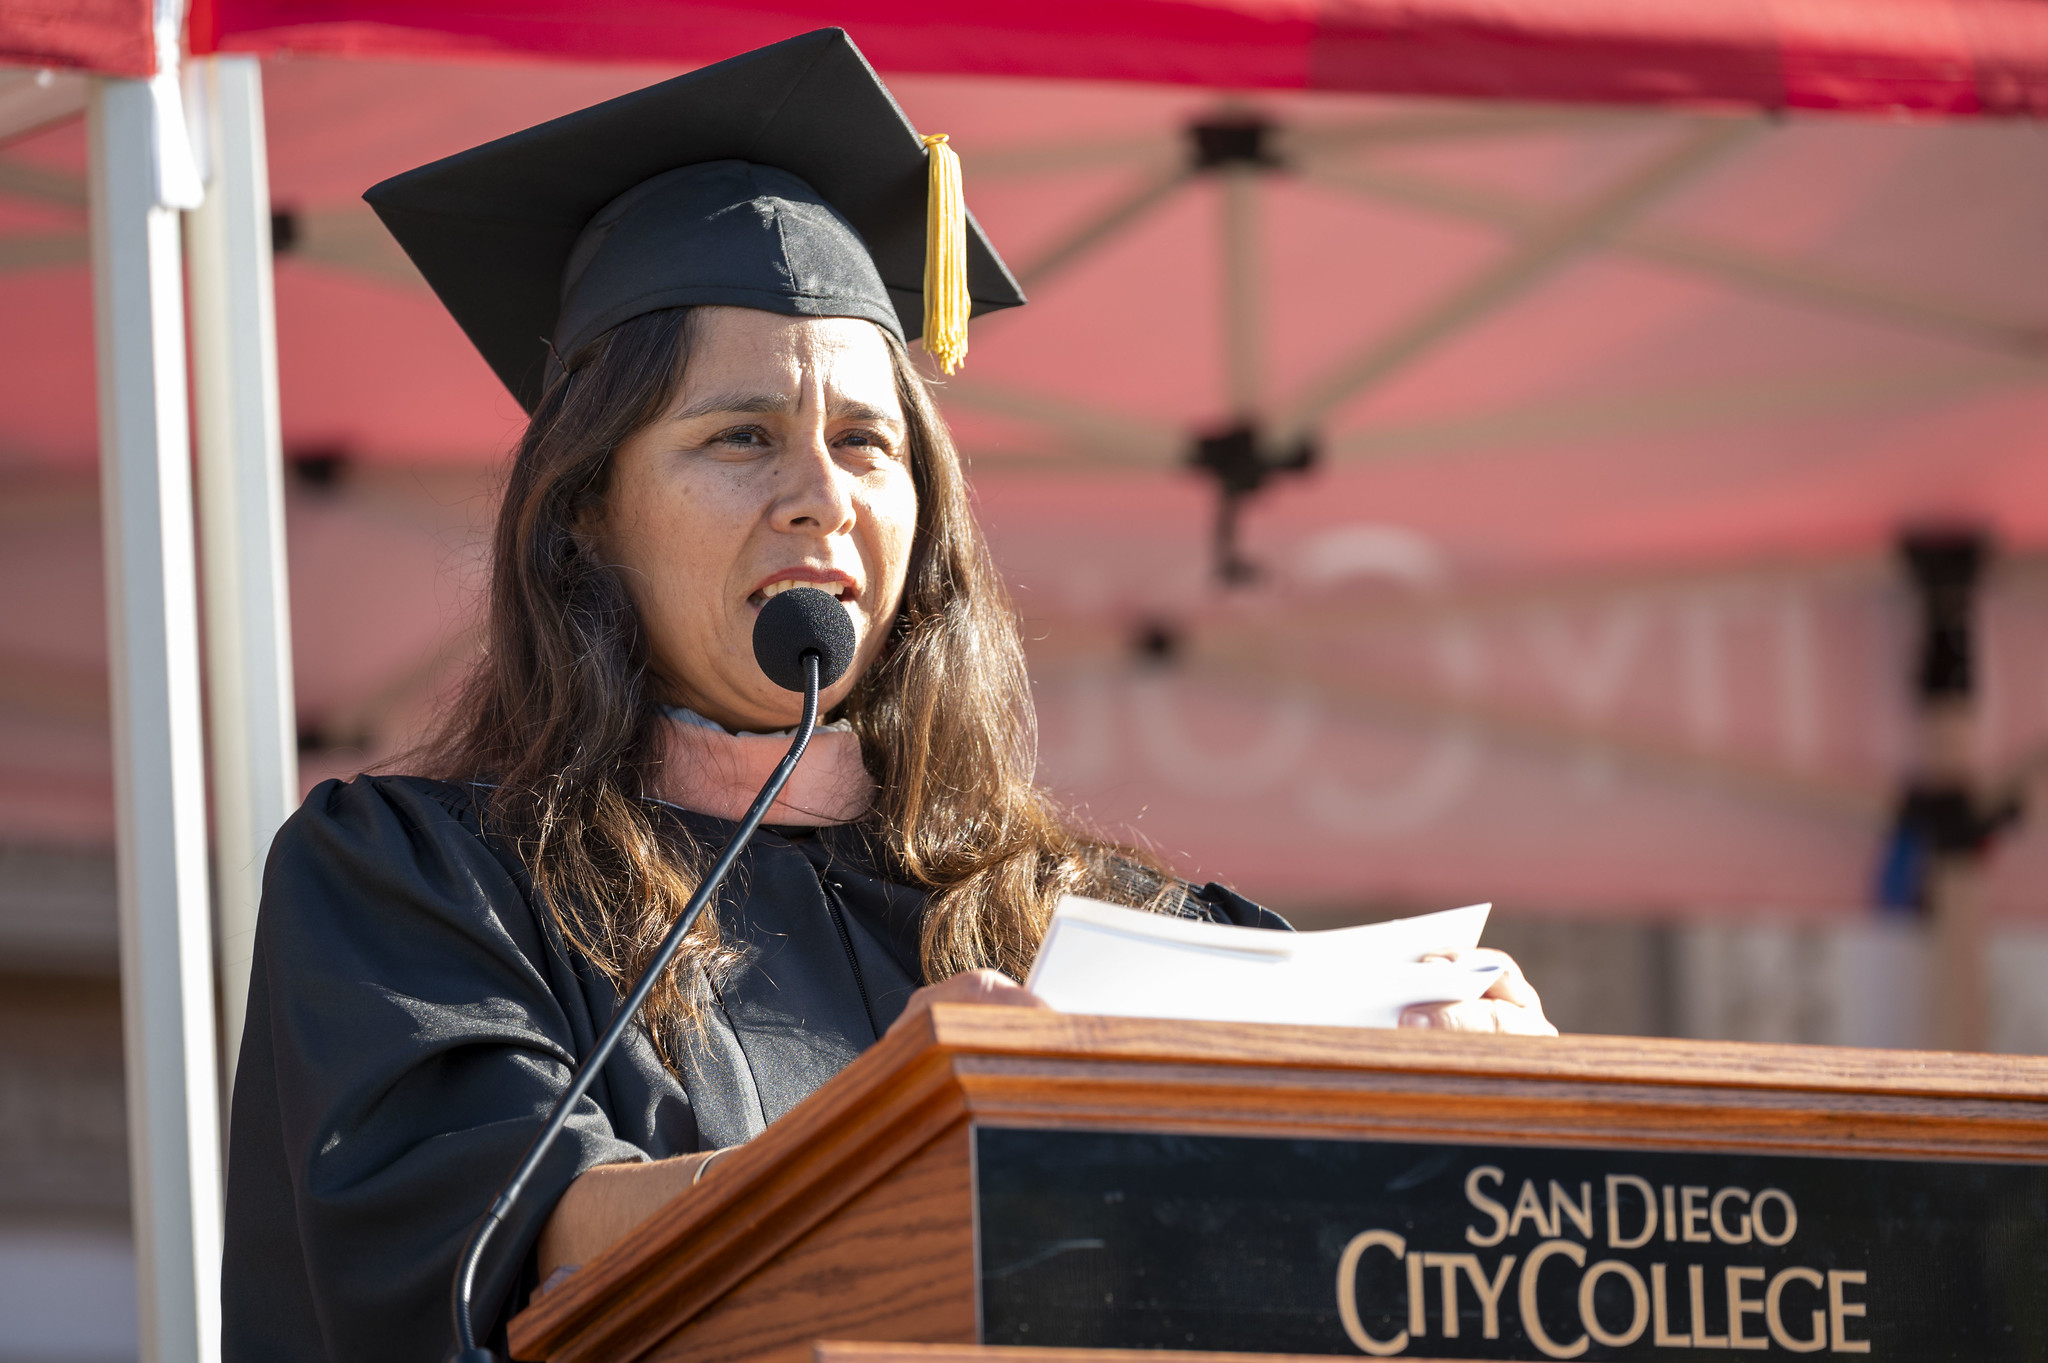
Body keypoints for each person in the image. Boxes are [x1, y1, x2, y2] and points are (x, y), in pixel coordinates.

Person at [219, 29, 1553, 1363]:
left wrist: (1461, 1118)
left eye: (867, 441)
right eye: (740, 436)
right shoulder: (423, 889)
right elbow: (506, 1250)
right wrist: (880, 1140)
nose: (821, 494)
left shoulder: (1097, 929)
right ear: (585, 520)